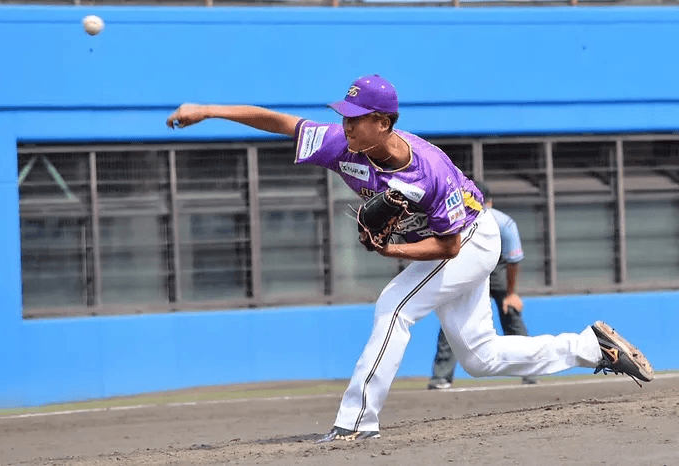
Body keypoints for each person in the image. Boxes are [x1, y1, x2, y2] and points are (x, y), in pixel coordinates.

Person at [165, 74, 654, 444]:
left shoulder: (428, 172)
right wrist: (207, 109)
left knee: (395, 307)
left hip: (472, 238)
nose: (345, 123)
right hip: (448, 246)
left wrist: (388, 249)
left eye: (356, 117)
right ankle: (591, 348)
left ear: (384, 122)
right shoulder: (343, 145)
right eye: (345, 114)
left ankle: (357, 422)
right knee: (480, 358)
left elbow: (448, 248)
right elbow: (280, 122)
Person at [428, 181, 537, 388]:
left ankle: (529, 371)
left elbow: (513, 260)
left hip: (497, 270)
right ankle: (441, 376)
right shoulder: (462, 220)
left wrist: (511, 294)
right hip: (470, 268)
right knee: (453, 321)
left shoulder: (503, 223)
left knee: (509, 313)